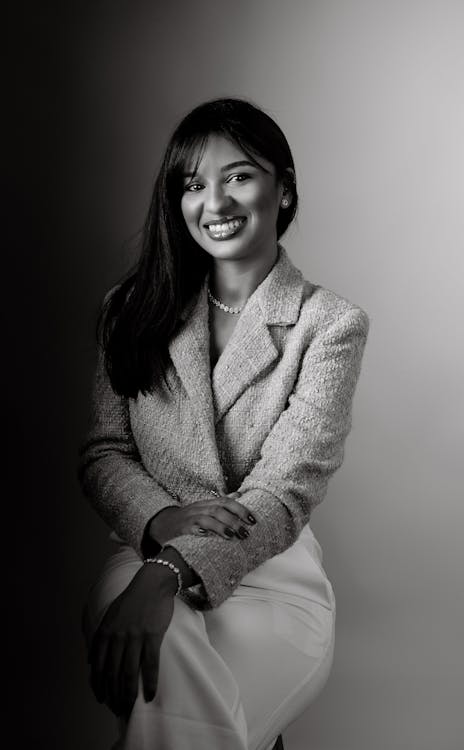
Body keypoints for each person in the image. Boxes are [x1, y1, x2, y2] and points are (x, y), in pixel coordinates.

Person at [79, 97, 369, 750]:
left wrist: (171, 573)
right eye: (192, 184)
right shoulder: (127, 310)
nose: (214, 202)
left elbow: (285, 487)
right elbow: (104, 451)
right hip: (140, 552)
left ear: (283, 187)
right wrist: (160, 527)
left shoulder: (329, 324)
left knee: (181, 721)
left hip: (272, 576)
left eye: (237, 175)